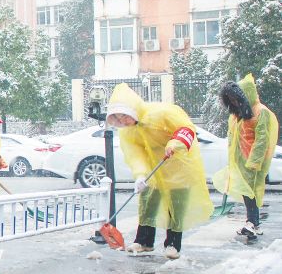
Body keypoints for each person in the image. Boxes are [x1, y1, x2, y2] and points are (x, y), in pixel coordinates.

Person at [106, 83, 213, 259]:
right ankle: (144, 242)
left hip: (177, 165)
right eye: (119, 118)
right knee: (148, 204)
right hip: (154, 170)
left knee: (176, 207)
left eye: (125, 115)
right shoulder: (128, 132)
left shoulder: (162, 113)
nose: (123, 121)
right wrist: (140, 175)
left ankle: (173, 244)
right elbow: (135, 155)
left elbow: (186, 129)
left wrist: (174, 144)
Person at [213, 73, 279, 240]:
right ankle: (254, 224)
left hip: (252, 160)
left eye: (235, 98)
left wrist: (254, 161)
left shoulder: (260, 112)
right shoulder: (238, 114)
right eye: (230, 99)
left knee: (251, 192)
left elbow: (262, 139)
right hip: (241, 159)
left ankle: (252, 222)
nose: (233, 102)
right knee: (247, 192)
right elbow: (233, 136)